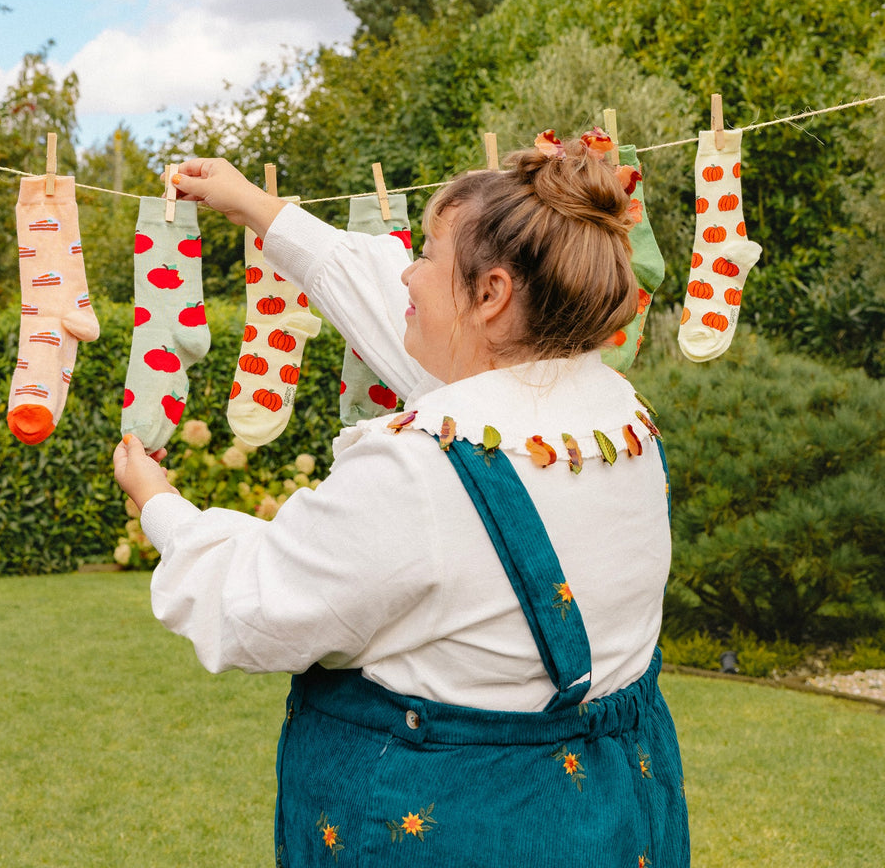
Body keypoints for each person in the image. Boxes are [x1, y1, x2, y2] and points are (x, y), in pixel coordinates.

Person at [113, 135, 690, 867]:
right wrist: (257, 208)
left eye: (425, 253)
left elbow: (250, 609)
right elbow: (394, 305)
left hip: (454, 828)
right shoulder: (618, 418)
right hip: (617, 819)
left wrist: (161, 504)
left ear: (492, 294)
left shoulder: (421, 474)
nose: (407, 274)